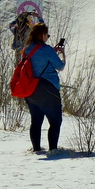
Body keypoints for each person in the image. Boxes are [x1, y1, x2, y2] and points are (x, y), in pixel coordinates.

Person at [22, 24, 66, 153]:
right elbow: (60, 66)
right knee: (55, 120)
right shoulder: (47, 50)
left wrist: (53, 51)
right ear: (42, 35)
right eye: (47, 34)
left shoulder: (27, 49)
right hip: (48, 88)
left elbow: (37, 58)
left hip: (31, 89)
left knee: (36, 120)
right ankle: (53, 150)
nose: (48, 37)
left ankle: (36, 149)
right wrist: (62, 54)